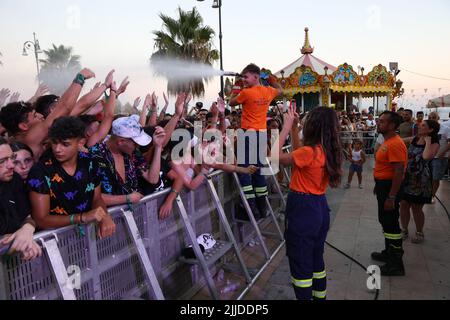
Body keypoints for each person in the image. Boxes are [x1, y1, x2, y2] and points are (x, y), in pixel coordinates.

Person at [276, 106, 342, 300]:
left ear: (314, 125)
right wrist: (295, 128)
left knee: (301, 263)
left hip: (303, 210)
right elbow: (299, 155)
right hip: (319, 207)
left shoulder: (309, 152)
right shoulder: (323, 150)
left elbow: (273, 157)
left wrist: (286, 127)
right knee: (315, 259)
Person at [27, 117, 115, 239]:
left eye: (65, 144)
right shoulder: (40, 171)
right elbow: (41, 219)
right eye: (54, 142)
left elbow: (97, 198)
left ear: (81, 143)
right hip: (55, 241)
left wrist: (104, 216)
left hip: (88, 236)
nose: (57, 149)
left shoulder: (90, 163)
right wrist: (81, 217)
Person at [229, 63, 282, 220]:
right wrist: (272, 79)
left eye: (246, 77)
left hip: (248, 134)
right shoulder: (268, 91)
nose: (244, 79)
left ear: (256, 77)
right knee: (258, 170)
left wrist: (237, 86)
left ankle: (250, 209)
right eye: (243, 77)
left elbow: (231, 103)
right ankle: (262, 207)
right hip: (260, 134)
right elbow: (280, 89)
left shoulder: (246, 92)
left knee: (245, 169)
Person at [88, 114, 166, 207]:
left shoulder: (132, 154)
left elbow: (152, 179)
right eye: (135, 143)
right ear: (121, 142)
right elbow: (90, 196)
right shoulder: (94, 156)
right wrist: (127, 198)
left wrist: (158, 146)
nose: (138, 146)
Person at [371, 111, 408, 276]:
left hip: (390, 188)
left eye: (383, 122)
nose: (379, 124)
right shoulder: (388, 142)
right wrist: (377, 185)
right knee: (385, 220)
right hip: (383, 185)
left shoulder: (395, 144)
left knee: (391, 223)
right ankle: (388, 252)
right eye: (379, 121)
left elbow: (399, 171)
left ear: (392, 125)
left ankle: (396, 263)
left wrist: (391, 196)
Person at [0, 137, 42, 261]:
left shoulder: (14, 180)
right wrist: (17, 239)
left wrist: (27, 230)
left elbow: (27, 217)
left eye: (11, 158)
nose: (11, 165)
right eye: (2, 161)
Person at [399, 120, 440, 243]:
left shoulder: (434, 142)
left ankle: (419, 232)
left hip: (421, 180)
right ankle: (404, 230)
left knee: (416, 208)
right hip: (408, 177)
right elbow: (400, 141)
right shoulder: (415, 138)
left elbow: (426, 157)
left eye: (423, 125)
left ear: (430, 129)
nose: (419, 126)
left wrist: (427, 142)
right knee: (404, 205)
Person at [428, 112, 450, 200]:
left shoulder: (445, 129)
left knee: (435, 178)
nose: (432, 119)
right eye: (430, 117)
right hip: (428, 156)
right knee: (427, 177)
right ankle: (427, 195)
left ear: (438, 118)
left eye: (434, 117)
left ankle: (432, 196)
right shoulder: (427, 129)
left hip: (439, 158)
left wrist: (443, 152)